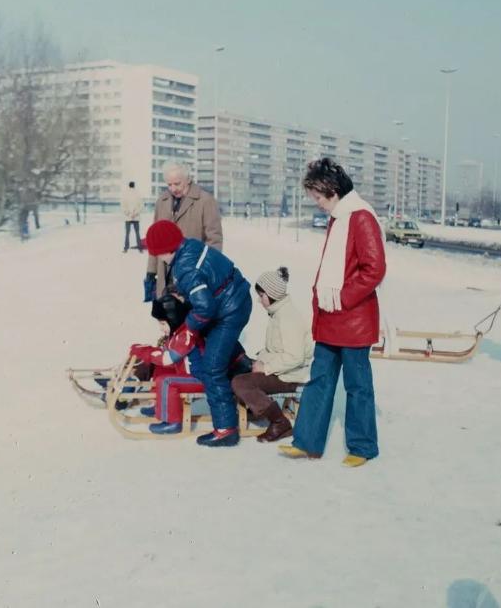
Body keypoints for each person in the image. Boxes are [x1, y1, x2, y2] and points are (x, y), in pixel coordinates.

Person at [278, 158, 386, 468]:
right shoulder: (339, 217)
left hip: (352, 319)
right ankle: (306, 442)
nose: (317, 204)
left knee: (357, 385)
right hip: (330, 317)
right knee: (319, 381)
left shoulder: (360, 217)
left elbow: (374, 268)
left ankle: (362, 447)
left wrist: (344, 298)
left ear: (333, 190)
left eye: (318, 197)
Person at [143, 219, 252, 447]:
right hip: (234, 298)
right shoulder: (189, 246)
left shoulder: (185, 267)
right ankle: (242, 364)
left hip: (229, 309)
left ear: (165, 249)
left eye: (156, 252)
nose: (157, 257)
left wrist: (188, 329)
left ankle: (225, 430)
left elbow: (205, 308)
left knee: (212, 367)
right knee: (214, 344)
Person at [232, 267, 314, 443]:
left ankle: (279, 422)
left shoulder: (288, 319)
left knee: (240, 382)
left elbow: (295, 357)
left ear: (271, 295)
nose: (259, 300)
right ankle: (256, 407)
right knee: (238, 366)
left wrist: (265, 367)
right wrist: (257, 359)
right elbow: (275, 349)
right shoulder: (278, 313)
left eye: (261, 296)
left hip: (290, 376)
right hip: (281, 370)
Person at [144, 162, 222, 303]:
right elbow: (155, 239)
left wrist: (204, 272)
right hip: (165, 276)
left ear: (188, 179)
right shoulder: (161, 201)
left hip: (192, 275)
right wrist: (151, 271)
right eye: (169, 184)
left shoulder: (205, 201)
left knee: (191, 320)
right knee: (168, 321)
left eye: (177, 184)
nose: (173, 189)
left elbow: (214, 240)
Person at [121, 181, 143, 253]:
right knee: (137, 233)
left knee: (127, 233)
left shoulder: (125, 195)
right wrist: (135, 213)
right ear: (134, 186)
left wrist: (128, 213)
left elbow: (123, 206)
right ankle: (140, 248)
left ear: (129, 186)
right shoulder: (138, 194)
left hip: (128, 217)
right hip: (136, 217)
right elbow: (141, 206)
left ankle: (126, 248)